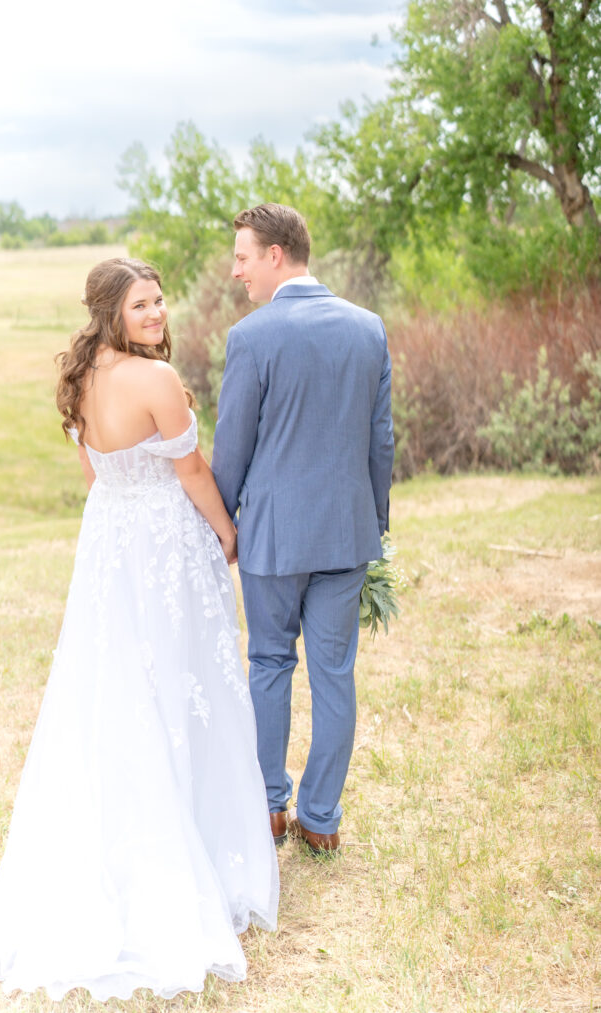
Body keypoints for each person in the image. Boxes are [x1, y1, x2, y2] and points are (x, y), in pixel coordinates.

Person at [0, 257, 278, 1001]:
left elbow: (94, 479)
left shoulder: (79, 382)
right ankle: (187, 856)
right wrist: (227, 537)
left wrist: (123, 514)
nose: (158, 313)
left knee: (114, 691)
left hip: (109, 546)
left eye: (160, 300)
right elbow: (193, 473)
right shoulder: (157, 382)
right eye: (142, 304)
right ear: (111, 312)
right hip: (164, 549)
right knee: (176, 686)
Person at [211, 204, 394, 856]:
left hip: (273, 538)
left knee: (267, 664)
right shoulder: (367, 329)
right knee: (334, 675)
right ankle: (320, 817)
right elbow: (380, 444)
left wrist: (218, 526)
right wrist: (373, 526)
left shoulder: (252, 337)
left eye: (242, 257)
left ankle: (267, 810)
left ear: (275, 256)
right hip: (345, 535)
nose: (236, 272)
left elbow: (231, 449)